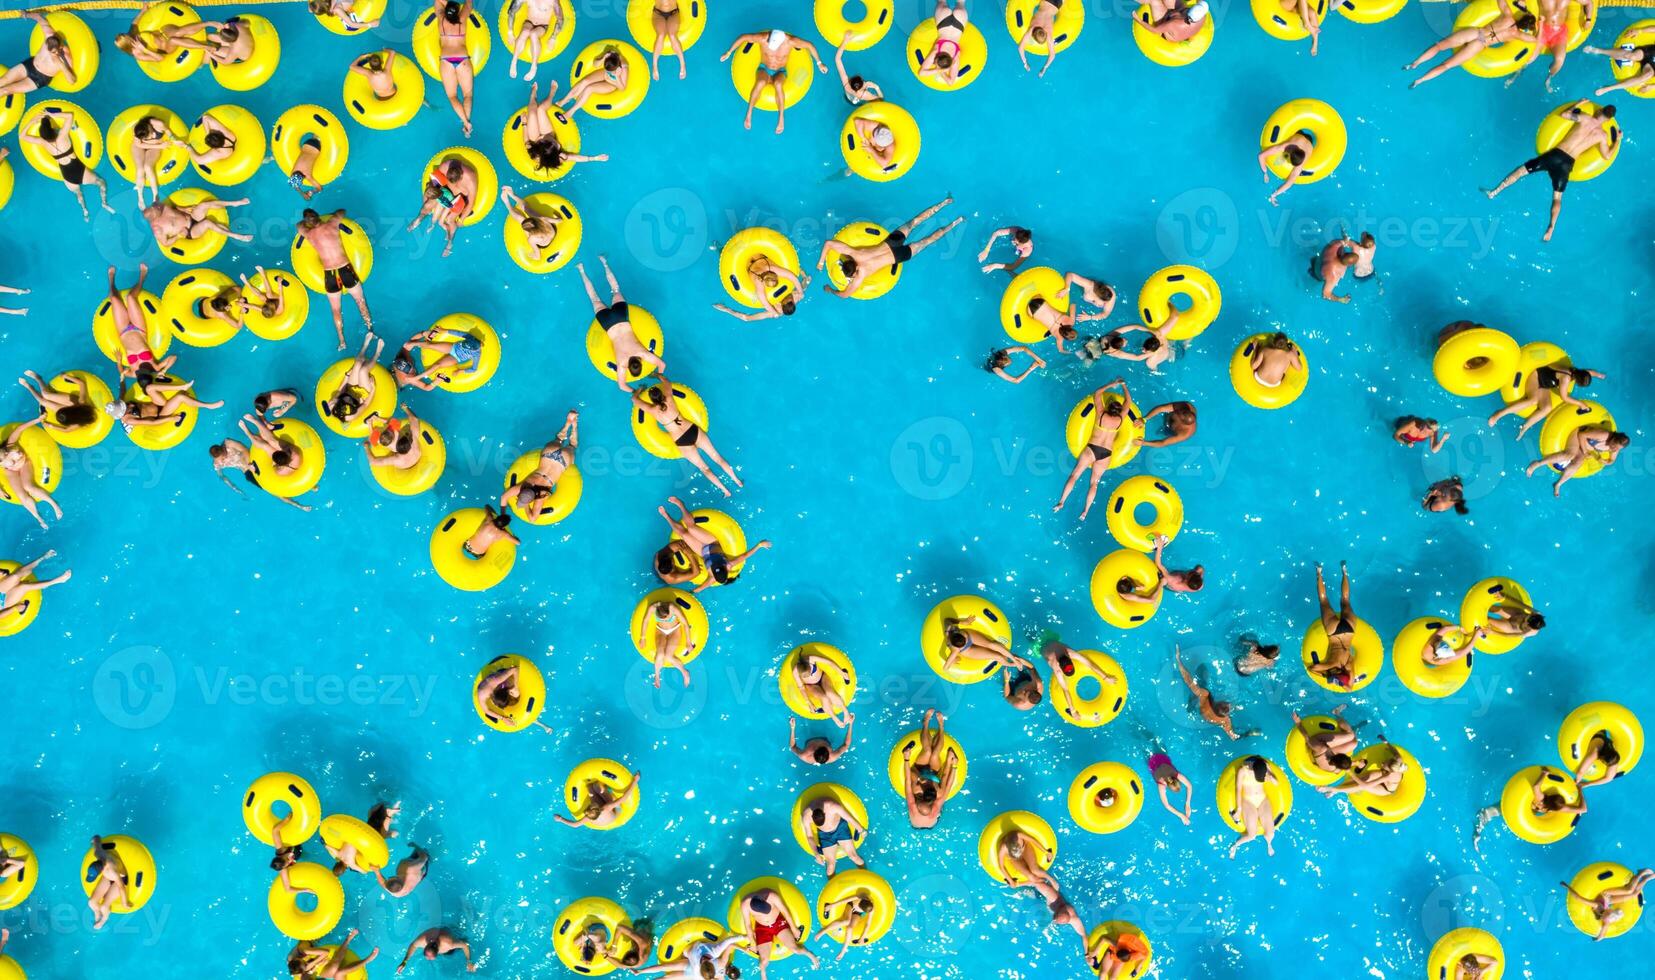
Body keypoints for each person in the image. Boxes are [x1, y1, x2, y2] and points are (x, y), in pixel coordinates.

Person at [1485, 100, 1618, 241]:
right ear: (1608, 120)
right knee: (1557, 197)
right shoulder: (1602, 136)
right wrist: (1616, 141)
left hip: (1555, 155)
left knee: (1521, 172)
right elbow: (1607, 155)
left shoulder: (1585, 118)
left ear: (1599, 111)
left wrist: (1578, 104)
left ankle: (1494, 192)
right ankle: (1551, 227)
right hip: (1567, 164)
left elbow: (1564, 114)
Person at [818, 195, 961, 298]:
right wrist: (821, 262)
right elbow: (828, 243)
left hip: (898, 256)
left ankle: (956, 223)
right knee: (914, 222)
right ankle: (944, 202)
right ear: (849, 260)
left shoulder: (860, 276)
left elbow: (844, 295)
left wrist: (830, 289)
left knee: (927, 241)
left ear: (854, 272)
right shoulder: (855, 253)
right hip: (892, 242)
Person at [634, 377, 744, 496]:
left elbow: (634, 400)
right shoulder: (669, 399)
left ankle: (725, 490)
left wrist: (639, 390)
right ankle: (737, 481)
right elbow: (666, 382)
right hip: (692, 430)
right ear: (661, 395)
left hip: (682, 441)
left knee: (704, 468)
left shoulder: (652, 409)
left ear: (652, 400)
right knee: (717, 458)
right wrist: (656, 375)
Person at [577, 257, 666, 392]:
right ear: (629, 367)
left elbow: (662, 364)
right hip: (608, 323)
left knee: (616, 289)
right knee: (594, 297)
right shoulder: (622, 364)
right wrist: (635, 391)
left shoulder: (643, 354)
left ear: (640, 362)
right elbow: (622, 386)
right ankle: (581, 270)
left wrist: (658, 374)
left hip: (621, 317)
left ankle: (604, 262)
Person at [1405, 0, 1539, 88]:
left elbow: (1501, 1)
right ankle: (1420, 80)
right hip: (1481, 44)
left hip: (1476, 33)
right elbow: (1535, 40)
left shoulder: (1508, 15)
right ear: (1525, 28)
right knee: (1446, 65)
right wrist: (1541, 24)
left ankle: (1415, 63)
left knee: (1439, 46)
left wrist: (1523, 6)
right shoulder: (1517, 35)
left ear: (1521, 16)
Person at [1053, 379, 1134, 519]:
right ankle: (1085, 512)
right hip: (1106, 453)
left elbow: (1097, 393)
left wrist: (1113, 383)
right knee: (1094, 484)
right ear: (1119, 411)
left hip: (1092, 449)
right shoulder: (1120, 419)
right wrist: (1124, 386)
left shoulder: (1101, 414)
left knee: (1074, 476)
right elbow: (1129, 402)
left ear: (1108, 407)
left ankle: (1061, 502)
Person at [719, 29, 827, 134]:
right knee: (760, 82)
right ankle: (749, 113)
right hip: (764, 68)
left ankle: (781, 118)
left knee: (778, 84)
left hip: (781, 70)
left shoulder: (791, 41)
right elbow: (744, 37)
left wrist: (819, 63)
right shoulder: (763, 38)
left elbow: (810, 45)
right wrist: (728, 52)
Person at [655, 497, 770, 590]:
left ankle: (666, 516)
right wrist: (760, 545)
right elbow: (745, 556)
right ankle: (680, 504)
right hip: (711, 542)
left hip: (702, 551)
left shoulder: (712, 577)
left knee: (684, 535)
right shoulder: (729, 564)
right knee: (691, 528)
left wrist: (694, 591)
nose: (715, 565)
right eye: (717, 566)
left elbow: (704, 586)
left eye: (714, 568)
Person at [297, 209, 373, 349]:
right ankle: (369, 329)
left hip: (330, 275)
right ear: (318, 216)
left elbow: (298, 225)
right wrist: (330, 214)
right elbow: (342, 211)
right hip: (345, 270)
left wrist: (306, 223)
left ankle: (342, 341)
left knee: (336, 310)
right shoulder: (332, 223)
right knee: (359, 300)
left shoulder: (308, 233)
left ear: (308, 223)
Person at [20, 108, 115, 219]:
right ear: (52, 129)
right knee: (101, 182)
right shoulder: (62, 136)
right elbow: (70, 115)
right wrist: (52, 114)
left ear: (42, 135)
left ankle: (85, 211)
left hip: (67, 175)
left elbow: (22, 136)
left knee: (78, 193)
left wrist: (32, 121)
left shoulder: (42, 142)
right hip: (79, 169)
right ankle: (104, 203)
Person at [1473, 769, 1587, 852]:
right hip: (1527, 815)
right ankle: (1477, 834)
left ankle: (1477, 832)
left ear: (1552, 796)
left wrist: (1544, 773)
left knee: (1486, 813)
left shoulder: (1541, 799)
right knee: (1493, 814)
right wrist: (1580, 790)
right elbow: (1583, 809)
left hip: (1517, 807)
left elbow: (1536, 786)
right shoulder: (1560, 809)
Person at [498, 411, 579, 523]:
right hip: (549, 454)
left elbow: (532, 519)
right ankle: (568, 423)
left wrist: (525, 505)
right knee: (558, 439)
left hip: (562, 462)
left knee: (572, 445)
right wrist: (502, 513)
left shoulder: (541, 495)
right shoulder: (523, 486)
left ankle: (574, 425)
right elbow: (503, 497)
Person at [518, 83, 609, 177]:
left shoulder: (535, 153)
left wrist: (524, 123)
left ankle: (539, 95)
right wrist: (594, 158)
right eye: (556, 145)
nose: (558, 144)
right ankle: (542, 94)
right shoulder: (560, 156)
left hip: (535, 139)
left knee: (536, 112)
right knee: (539, 110)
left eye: (554, 143)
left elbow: (527, 142)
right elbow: (575, 157)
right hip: (547, 134)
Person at [1488, 363, 1603, 437]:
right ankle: (1498, 414)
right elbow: (1564, 397)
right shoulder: (1566, 378)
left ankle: (1525, 427)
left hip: (1545, 384)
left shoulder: (1577, 371)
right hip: (1536, 377)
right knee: (1532, 400)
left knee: (1547, 408)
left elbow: (1589, 372)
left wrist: (1599, 375)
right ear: (1577, 381)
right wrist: (1581, 404)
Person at [735, 885, 819, 979]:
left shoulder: (772, 896)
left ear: (764, 899)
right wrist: (753, 943)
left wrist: (794, 928)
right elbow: (748, 925)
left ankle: (809, 954)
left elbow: (786, 912)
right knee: (763, 961)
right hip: (762, 928)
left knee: (795, 950)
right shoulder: (745, 904)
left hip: (778, 923)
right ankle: (763, 974)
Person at [239, 413, 315, 512]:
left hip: (285, 470)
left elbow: (274, 468)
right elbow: (281, 446)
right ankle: (254, 421)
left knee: (266, 446)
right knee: (272, 441)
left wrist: (255, 469)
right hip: (287, 461)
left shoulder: (280, 471)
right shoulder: (294, 454)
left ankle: (247, 431)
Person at [899, 709, 960, 829]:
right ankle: (941, 726)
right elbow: (947, 781)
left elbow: (907, 780)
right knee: (935, 753)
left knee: (927, 751)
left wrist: (906, 759)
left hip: (919, 770)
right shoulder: (939, 795)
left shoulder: (915, 792)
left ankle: (925, 722)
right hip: (932, 774)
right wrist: (953, 764)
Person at [1526, 425, 1628, 496]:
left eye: (1617, 449)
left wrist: (1606, 462)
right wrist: (1584, 450)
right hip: (1578, 435)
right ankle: (1537, 463)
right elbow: (1582, 435)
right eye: (1615, 446)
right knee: (1569, 455)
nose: (1614, 449)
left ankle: (1558, 484)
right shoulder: (1604, 435)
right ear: (1614, 438)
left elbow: (1612, 460)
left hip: (1585, 448)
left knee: (1577, 464)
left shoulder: (1615, 448)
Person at [409, 158, 479, 257]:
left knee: (450, 220)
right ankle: (419, 218)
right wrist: (429, 196)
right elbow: (433, 180)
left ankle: (449, 244)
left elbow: (471, 203)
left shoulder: (470, 179)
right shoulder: (445, 166)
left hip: (460, 199)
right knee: (428, 205)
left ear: (461, 175)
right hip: (445, 193)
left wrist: (461, 219)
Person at [1560, 869, 1653, 942]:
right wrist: (1598, 938)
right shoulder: (1607, 920)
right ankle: (1646, 879)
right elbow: (1603, 935)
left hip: (1606, 894)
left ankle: (1640, 873)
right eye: (1613, 911)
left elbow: (1578, 898)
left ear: (1605, 914)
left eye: (1611, 911)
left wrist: (1567, 886)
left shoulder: (1596, 905)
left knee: (1629, 891)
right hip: (1609, 900)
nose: (1611, 909)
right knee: (1633, 895)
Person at [712, 251, 805, 322]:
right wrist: (726, 309)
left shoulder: (772, 269)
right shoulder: (759, 283)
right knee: (755, 297)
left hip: (754, 254)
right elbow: (747, 318)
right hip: (744, 263)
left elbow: (793, 277)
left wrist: (802, 289)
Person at [143, 195, 253, 254]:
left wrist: (183, 208)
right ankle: (236, 236)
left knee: (204, 205)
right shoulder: (158, 230)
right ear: (154, 217)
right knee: (207, 223)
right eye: (155, 209)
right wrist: (178, 236)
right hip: (190, 231)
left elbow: (173, 206)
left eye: (154, 207)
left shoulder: (159, 206)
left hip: (191, 217)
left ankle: (235, 203)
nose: (157, 207)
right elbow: (165, 243)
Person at [937, 612, 1034, 678]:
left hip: (970, 636)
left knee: (992, 644)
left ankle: (1013, 659)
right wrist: (951, 661)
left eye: (964, 639)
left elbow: (948, 619)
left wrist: (963, 622)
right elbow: (945, 669)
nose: (966, 641)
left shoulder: (950, 627)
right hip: (966, 650)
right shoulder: (955, 650)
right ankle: (1011, 664)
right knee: (996, 656)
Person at [0, 11, 78, 95]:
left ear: (60, 47)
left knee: (5, 90)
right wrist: (27, 14)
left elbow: (72, 81)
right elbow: (39, 18)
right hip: (30, 64)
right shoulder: (49, 34)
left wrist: (61, 65)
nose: (51, 53)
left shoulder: (65, 57)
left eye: (54, 52)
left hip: (39, 79)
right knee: (3, 80)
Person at [320, 332, 385, 430]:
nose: (332, 402)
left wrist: (347, 375)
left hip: (350, 388)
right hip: (363, 393)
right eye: (332, 403)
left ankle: (365, 345)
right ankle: (377, 353)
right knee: (362, 371)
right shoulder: (351, 416)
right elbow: (366, 404)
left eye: (332, 403)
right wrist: (373, 389)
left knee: (358, 364)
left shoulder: (332, 405)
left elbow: (340, 390)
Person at [1175, 647, 1243, 740]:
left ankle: (1190, 706)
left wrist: (1178, 660)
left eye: (1227, 704)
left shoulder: (1204, 695)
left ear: (1217, 704)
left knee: (1200, 687)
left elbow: (1188, 680)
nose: (1229, 704)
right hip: (1209, 720)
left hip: (1202, 712)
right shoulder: (1225, 721)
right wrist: (1245, 734)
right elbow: (1232, 736)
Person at [1310, 561, 1359, 689]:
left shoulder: (1349, 666)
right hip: (1334, 633)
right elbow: (1313, 668)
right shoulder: (1331, 665)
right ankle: (1319, 572)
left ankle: (1344, 571)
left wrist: (1340, 681)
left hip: (1349, 630)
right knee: (1323, 600)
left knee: (1345, 599)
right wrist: (1326, 676)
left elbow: (1349, 688)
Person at [1035, 638, 1119, 714]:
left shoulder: (1067, 654)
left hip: (1049, 640)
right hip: (1039, 646)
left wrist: (1105, 677)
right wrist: (1072, 710)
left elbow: (1090, 664)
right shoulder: (1059, 665)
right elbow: (1065, 690)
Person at [474, 656, 555, 734]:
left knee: (516, 695)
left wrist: (515, 687)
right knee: (518, 711)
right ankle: (542, 725)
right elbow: (486, 710)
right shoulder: (482, 693)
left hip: (501, 679)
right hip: (498, 687)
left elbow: (515, 669)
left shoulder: (497, 680)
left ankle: (542, 725)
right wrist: (502, 718)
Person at [432, 1, 477, 135]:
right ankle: (466, 123)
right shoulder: (462, 19)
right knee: (467, 95)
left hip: (446, 60)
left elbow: (437, 1)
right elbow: (469, 3)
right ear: (457, 12)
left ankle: (466, 122)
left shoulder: (441, 19)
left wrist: (449, 5)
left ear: (446, 12)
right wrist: (455, 6)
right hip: (462, 59)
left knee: (452, 96)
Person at [392, 325, 485, 389]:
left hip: (457, 357)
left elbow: (474, 369)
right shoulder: (407, 378)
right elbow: (457, 333)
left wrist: (460, 370)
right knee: (429, 345)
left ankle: (419, 344)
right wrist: (443, 331)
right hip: (453, 348)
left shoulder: (476, 354)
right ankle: (419, 343)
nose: (412, 369)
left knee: (437, 365)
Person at [1226, 755, 1282, 858]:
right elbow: (1238, 789)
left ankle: (1269, 844)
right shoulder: (1243, 770)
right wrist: (1238, 809)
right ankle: (1235, 845)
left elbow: (1276, 782)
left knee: (1270, 833)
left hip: (1263, 800)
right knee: (1252, 835)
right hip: (1248, 802)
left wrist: (1271, 778)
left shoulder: (1265, 766)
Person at [18, 370, 99, 441]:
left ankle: (29, 387)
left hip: (73, 410)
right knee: (46, 395)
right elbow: (82, 383)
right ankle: (38, 378)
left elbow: (66, 430)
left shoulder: (77, 424)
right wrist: (65, 376)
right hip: (74, 404)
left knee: (43, 402)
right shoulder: (82, 402)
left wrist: (50, 425)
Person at [115, 5, 205, 68]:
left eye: (125, 34)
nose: (128, 34)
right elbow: (160, 58)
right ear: (127, 43)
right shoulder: (138, 54)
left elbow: (134, 23)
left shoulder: (132, 34)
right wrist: (144, 49)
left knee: (178, 32)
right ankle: (205, 46)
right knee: (174, 39)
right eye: (126, 36)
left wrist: (143, 10)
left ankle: (208, 24)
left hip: (163, 34)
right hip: (166, 48)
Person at [1317, 738, 1409, 799]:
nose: (1382, 763)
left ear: (1390, 770)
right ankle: (1336, 788)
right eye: (1386, 761)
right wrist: (1386, 742)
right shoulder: (1398, 759)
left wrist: (1350, 772)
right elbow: (1394, 751)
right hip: (1384, 774)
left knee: (1359, 786)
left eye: (1384, 764)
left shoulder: (1389, 776)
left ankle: (1334, 790)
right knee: (1363, 777)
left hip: (1385, 788)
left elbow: (1364, 785)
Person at [799, 794, 866, 876]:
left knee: (854, 857)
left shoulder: (832, 806)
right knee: (830, 866)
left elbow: (849, 818)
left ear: (824, 813)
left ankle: (865, 874)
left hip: (840, 828)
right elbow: (809, 836)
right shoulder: (806, 815)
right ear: (812, 816)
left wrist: (861, 830)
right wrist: (816, 854)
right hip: (825, 835)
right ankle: (832, 884)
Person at [629, 932, 744, 978]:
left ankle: (639, 971)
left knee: (665, 968)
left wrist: (744, 948)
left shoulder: (719, 961)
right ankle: (639, 972)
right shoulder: (719, 971)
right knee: (666, 977)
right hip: (692, 975)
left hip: (691, 964)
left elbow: (730, 945)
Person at [789, 647, 854, 727]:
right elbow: (801, 687)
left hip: (822, 677)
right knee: (824, 698)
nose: (810, 675)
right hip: (811, 685)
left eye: (811, 673)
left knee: (830, 692)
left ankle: (846, 712)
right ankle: (836, 720)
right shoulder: (795, 671)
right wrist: (809, 702)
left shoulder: (811, 659)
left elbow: (829, 662)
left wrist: (843, 674)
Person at [639, 595, 694, 689]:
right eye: (662, 619)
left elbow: (685, 624)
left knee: (668, 656)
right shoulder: (653, 608)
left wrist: (688, 641)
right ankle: (657, 676)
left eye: (667, 618)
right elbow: (646, 621)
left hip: (674, 630)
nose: (665, 620)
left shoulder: (672, 608)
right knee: (660, 654)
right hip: (660, 631)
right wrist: (643, 637)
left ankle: (685, 672)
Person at [554, 769, 640, 828]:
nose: (591, 803)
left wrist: (560, 819)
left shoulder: (588, 817)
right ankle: (604, 789)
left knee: (591, 787)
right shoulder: (606, 808)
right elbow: (624, 798)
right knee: (596, 786)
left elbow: (575, 825)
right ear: (598, 808)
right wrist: (635, 781)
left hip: (609, 817)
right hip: (613, 814)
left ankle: (600, 790)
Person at [559, 44, 630, 116]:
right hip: (605, 74)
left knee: (589, 88)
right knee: (585, 81)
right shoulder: (609, 54)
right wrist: (603, 58)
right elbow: (595, 64)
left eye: (612, 71)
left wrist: (616, 77)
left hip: (613, 83)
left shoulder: (624, 67)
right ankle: (564, 100)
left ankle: (571, 111)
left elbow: (622, 88)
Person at [0, 550, 71, 620]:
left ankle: (43, 557)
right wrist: (14, 608)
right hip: (3, 602)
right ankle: (57, 580)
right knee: (23, 586)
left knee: (14, 576)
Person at [504, 0, 565, 81]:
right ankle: (514, 61)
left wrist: (553, 38)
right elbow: (511, 11)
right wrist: (510, 32)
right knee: (525, 32)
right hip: (529, 22)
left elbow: (560, 20)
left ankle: (534, 67)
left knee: (533, 34)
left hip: (542, 26)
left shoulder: (552, 1)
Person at [917, 0, 971, 86]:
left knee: (961, 2)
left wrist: (942, 70)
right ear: (937, 58)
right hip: (943, 22)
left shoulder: (955, 58)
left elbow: (951, 82)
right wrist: (938, 70)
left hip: (959, 22)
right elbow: (921, 73)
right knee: (941, 1)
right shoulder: (935, 52)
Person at [1292, 707, 1356, 778]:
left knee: (1351, 735)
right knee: (1354, 743)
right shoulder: (1334, 769)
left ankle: (1336, 712)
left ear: (1339, 755)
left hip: (1319, 745)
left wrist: (1298, 723)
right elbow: (1338, 771)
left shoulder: (1322, 749)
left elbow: (1308, 739)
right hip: (1328, 753)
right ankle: (1339, 718)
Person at [991, 823, 1057, 891]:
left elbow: (1032, 840)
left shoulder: (1018, 835)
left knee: (1035, 870)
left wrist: (1046, 852)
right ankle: (1046, 887)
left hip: (1025, 849)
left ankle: (1051, 879)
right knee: (1031, 877)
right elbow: (1001, 866)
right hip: (1015, 859)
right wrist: (1010, 881)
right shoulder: (1003, 848)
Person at [84, 834, 132, 929]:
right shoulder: (98, 853)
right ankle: (97, 911)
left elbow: (121, 887)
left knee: (104, 907)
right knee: (91, 902)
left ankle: (104, 919)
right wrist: (94, 840)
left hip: (121, 878)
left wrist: (124, 902)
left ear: (100, 871)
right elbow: (97, 839)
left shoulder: (111, 871)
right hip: (108, 878)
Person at [364, 405, 427, 474]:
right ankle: (374, 420)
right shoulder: (413, 437)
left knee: (377, 439)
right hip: (417, 456)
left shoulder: (395, 459)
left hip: (404, 465)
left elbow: (373, 462)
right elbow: (414, 419)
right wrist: (405, 408)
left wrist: (366, 447)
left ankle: (370, 424)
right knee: (394, 425)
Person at [1258, 130, 1315, 206]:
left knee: (1281, 159)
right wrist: (1274, 194)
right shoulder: (1285, 146)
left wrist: (1265, 173)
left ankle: (1285, 156)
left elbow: (1289, 183)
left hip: (1301, 138)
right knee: (1282, 158)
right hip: (1304, 140)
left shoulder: (1301, 161)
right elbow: (1261, 156)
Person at [289, 932, 379, 978]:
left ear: (298, 959)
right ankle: (367, 960)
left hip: (314, 942)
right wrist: (315, 966)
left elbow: (326, 953)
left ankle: (348, 939)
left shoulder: (304, 951)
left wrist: (315, 963)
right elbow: (306, 972)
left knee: (335, 964)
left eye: (305, 964)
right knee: (336, 970)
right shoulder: (299, 967)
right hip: (318, 966)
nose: (306, 964)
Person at [572, 919, 650, 972]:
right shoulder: (641, 942)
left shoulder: (638, 963)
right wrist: (614, 946)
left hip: (595, 936)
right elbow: (620, 927)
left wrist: (606, 956)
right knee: (643, 924)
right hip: (643, 928)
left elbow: (621, 965)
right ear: (630, 950)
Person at [1585, 38, 1655, 97]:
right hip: (1651, 53)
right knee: (1631, 56)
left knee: (1647, 75)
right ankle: (1599, 51)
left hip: (1652, 67)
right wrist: (1640, 30)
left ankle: (1609, 88)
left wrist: (1651, 87)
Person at [1015, 0, 1068, 76]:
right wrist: (1043, 68)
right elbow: (1020, 48)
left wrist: (1027, 63)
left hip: (1057, 4)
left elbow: (1052, 55)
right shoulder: (1033, 28)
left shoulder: (1044, 32)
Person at [644, 0, 691, 80]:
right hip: (658, 14)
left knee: (672, 35)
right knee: (661, 35)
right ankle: (654, 66)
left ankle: (683, 64)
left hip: (674, 13)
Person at [395, 926, 477, 973]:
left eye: (430, 958)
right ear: (426, 945)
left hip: (450, 933)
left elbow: (465, 946)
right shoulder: (422, 940)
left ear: (438, 951)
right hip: (440, 930)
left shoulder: (448, 944)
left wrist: (469, 961)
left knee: (464, 941)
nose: (428, 959)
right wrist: (404, 961)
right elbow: (413, 945)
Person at [1145, 750, 1194, 825]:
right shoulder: (1161, 785)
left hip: (1162, 756)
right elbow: (1166, 805)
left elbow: (1189, 786)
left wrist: (1188, 804)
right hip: (1151, 762)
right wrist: (1181, 815)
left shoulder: (1176, 775)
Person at [1311, 235, 1360, 304]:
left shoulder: (1335, 246)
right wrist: (1340, 299)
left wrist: (1346, 239)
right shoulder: (1334, 275)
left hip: (1316, 261)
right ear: (1349, 265)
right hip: (1316, 275)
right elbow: (1325, 294)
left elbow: (1345, 240)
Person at [1089, 929, 1153, 980]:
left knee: (1112, 978)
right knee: (1103, 973)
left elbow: (1145, 955)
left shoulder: (1134, 954)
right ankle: (1101, 961)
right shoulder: (1117, 945)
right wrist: (1095, 951)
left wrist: (1136, 970)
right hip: (1114, 951)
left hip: (1127, 948)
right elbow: (1104, 938)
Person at [833, 36, 881, 104]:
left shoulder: (846, 83)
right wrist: (876, 87)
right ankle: (856, 99)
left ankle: (854, 99)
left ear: (850, 81)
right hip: (860, 95)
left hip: (850, 93)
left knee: (852, 98)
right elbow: (881, 100)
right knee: (856, 98)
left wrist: (845, 40)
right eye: (863, 81)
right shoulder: (864, 94)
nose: (864, 81)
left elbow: (837, 59)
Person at [1141, 0, 1209, 43]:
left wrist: (1138, 19)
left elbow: (1154, 30)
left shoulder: (1175, 24)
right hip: (1178, 17)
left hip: (1166, 27)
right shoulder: (1202, 16)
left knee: (1154, 1)